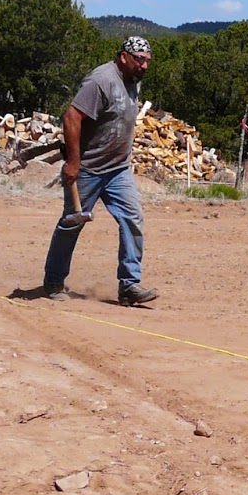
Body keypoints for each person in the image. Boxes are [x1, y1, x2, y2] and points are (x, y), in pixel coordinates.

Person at [41, 36, 159, 306]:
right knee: (71, 223)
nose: (144, 66)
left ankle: (129, 286)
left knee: (133, 218)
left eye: (147, 61)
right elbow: (71, 117)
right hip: (88, 169)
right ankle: (53, 280)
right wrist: (73, 162)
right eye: (139, 60)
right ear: (123, 57)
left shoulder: (133, 80)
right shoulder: (101, 81)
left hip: (118, 169)